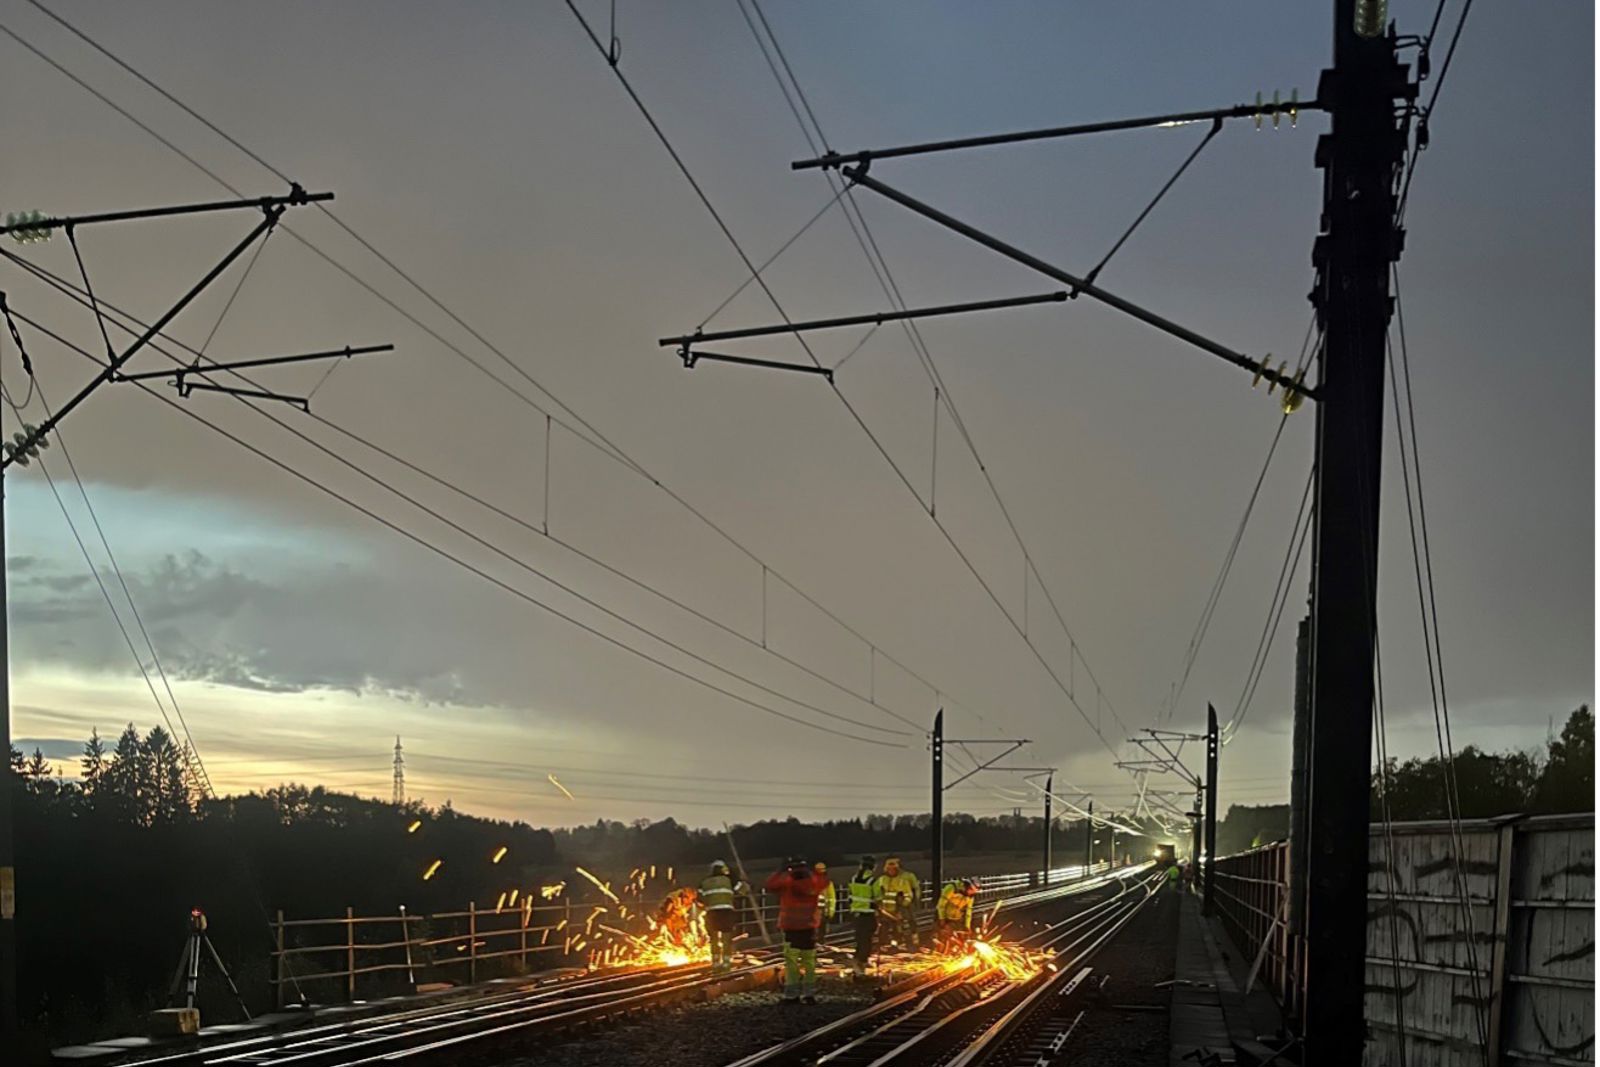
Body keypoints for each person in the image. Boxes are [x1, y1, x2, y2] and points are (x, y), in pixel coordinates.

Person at [766, 856, 829, 1004]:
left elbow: (770, 885)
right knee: (809, 962)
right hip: (809, 927)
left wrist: (780, 871)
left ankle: (792, 995)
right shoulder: (814, 883)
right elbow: (824, 881)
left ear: (791, 869)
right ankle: (809, 994)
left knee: (791, 962)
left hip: (791, 928)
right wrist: (812, 872)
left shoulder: (787, 883)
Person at [699, 859, 747, 973]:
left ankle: (715, 964)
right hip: (726, 912)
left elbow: (700, 899)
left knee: (714, 939)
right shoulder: (730, 880)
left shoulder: (704, 882)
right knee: (726, 939)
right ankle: (726, 964)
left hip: (711, 913)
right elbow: (743, 891)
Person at [846, 856, 883, 977]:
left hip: (856, 914)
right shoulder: (872, 881)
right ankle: (860, 963)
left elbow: (850, 896)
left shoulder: (853, 879)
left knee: (860, 939)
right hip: (868, 914)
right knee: (867, 940)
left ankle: (860, 961)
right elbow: (878, 898)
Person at [875, 856, 919, 952]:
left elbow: (908, 895)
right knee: (884, 929)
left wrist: (903, 907)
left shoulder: (903, 880)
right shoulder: (882, 879)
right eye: (889, 869)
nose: (891, 871)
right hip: (886, 910)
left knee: (898, 929)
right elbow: (877, 893)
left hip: (897, 910)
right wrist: (879, 906)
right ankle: (884, 945)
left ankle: (898, 945)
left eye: (893, 869)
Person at [936, 879, 979, 946]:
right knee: (942, 941)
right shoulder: (952, 888)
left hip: (957, 919)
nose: (971, 894)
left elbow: (968, 910)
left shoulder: (970, 895)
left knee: (958, 941)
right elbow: (941, 905)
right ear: (967, 886)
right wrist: (942, 920)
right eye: (971, 891)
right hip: (943, 916)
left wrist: (967, 926)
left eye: (974, 892)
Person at [813, 861, 836, 945]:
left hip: (816, 910)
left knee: (817, 928)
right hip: (821, 910)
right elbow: (832, 898)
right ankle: (819, 943)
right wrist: (831, 911)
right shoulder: (827, 882)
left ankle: (817, 943)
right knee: (820, 929)